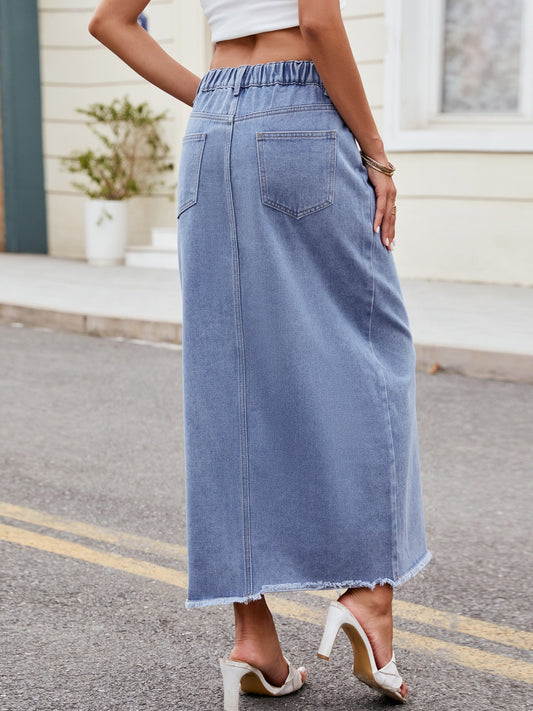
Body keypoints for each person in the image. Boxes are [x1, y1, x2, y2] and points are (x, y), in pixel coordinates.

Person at [89, 1, 431, 708]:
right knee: (375, 346)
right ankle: (369, 596)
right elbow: (317, 23)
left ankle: (254, 639)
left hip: (212, 133)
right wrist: (373, 148)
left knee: (228, 372)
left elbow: (110, 21)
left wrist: (219, 104)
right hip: (300, 116)